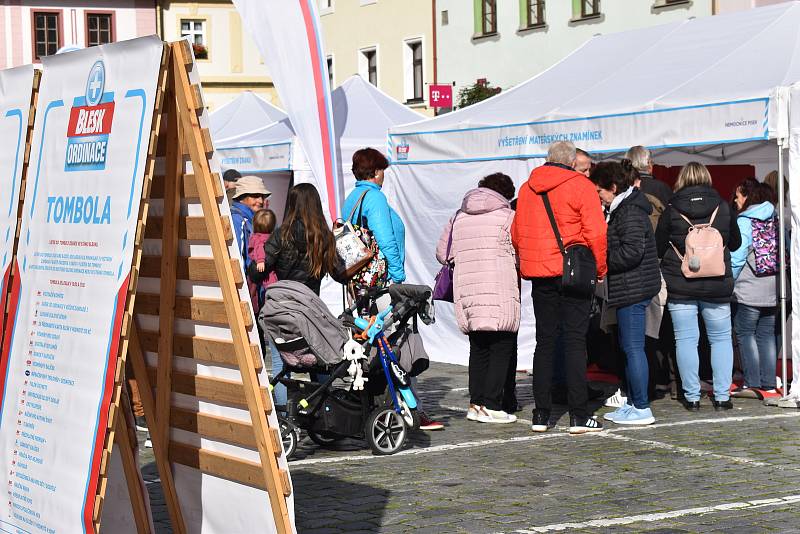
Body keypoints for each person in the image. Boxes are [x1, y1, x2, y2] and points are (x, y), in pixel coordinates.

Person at [512, 140, 608, 434]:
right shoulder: (581, 186)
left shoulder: (527, 188)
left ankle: (541, 414)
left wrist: (527, 262)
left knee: (545, 341)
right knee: (575, 341)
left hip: (540, 273)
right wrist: (601, 268)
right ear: (571, 162)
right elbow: (596, 231)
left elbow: (517, 233)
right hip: (572, 272)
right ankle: (579, 415)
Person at [655, 162, 741, 411]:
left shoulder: (671, 208)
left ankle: (691, 396)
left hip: (681, 284)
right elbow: (735, 243)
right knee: (721, 339)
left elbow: (659, 247)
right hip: (717, 284)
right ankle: (723, 396)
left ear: (681, 179)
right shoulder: (723, 206)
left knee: (685, 340)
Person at [436, 173, 520, 424]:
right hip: (499, 289)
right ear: (506, 194)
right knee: (501, 345)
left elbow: (442, 253)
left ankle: (476, 403)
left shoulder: (459, 216)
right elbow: (519, 253)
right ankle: (493, 405)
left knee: (479, 347)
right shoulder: (508, 216)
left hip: (469, 290)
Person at [248, 183, 340, 410]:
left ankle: (283, 413)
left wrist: (258, 265)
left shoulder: (281, 235)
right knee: (319, 360)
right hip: (310, 309)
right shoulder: (324, 237)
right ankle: (322, 409)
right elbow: (340, 273)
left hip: (282, 308)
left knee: (281, 362)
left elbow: (257, 273)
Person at [591, 161, 661, 425]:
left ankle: (642, 407)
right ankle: (633, 402)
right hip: (629, 286)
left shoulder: (629, 212)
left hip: (633, 287)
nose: (599, 197)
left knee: (633, 349)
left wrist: (603, 259)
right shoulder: (623, 209)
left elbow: (632, 252)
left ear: (613, 187)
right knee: (628, 347)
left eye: (600, 192)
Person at [731, 179, 779, 396]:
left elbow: (737, 257)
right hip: (772, 287)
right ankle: (768, 382)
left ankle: (751, 382)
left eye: (738, 195)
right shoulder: (775, 217)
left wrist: (728, 282)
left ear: (748, 197)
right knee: (766, 335)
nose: (735, 200)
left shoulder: (745, 221)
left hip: (748, 287)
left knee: (745, 333)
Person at [341, 148, 406, 284]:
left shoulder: (353, 196)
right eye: (382, 171)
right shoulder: (375, 197)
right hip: (378, 278)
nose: (383, 175)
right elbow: (385, 239)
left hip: (357, 275)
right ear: (376, 172)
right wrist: (398, 275)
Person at [231, 175, 271, 269]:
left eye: (262, 196)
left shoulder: (252, 218)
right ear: (241, 198)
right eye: (255, 196)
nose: (260, 200)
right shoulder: (237, 219)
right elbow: (237, 257)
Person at [248, 209, 278, 316]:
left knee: (253, 289)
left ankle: (254, 306)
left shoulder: (255, 236)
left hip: (255, 267)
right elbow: (259, 248)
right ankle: (269, 307)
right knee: (271, 285)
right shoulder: (262, 238)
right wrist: (261, 260)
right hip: (263, 267)